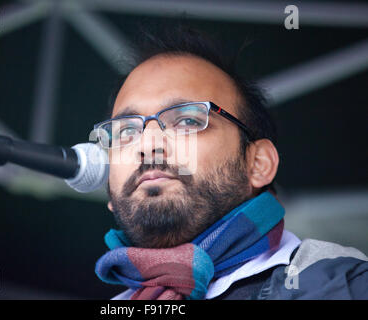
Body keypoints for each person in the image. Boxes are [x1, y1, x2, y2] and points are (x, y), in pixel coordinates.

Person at [93, 24, 368, 300]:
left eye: (188, 120)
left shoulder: (345, 284)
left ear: (258, 164)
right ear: (109, 188)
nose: (148, 145)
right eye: (126, 132)